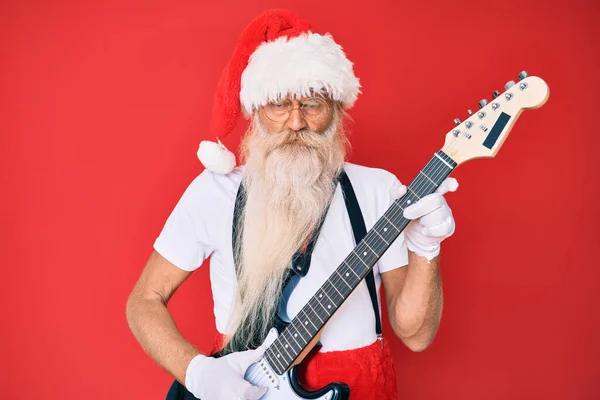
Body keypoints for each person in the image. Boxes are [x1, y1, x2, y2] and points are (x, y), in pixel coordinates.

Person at [126, 8, 458, 400]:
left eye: (313, 104)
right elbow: (144, 301)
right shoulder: (214, 193)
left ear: (335, 110)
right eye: (279, 104)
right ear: (257, 112)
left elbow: (415, 336)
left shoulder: (377, 190)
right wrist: (196, 372)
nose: (296, 122)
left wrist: (426, 249)